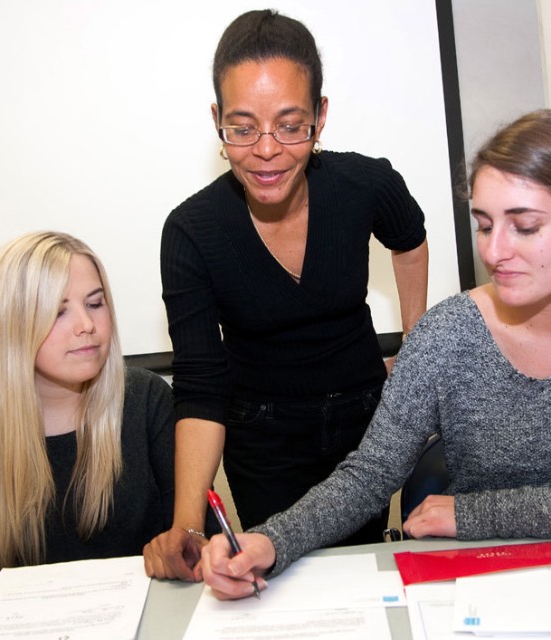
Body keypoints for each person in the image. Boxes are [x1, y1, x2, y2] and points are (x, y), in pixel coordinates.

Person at [199, 108, 551, 599]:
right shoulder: (446, 335)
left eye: (524, 226)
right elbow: (370, 477)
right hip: (487, 591)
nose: (494, 252)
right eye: (485, 226)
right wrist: (272, 541)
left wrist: (473, 513)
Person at [143, 9, 428, 580]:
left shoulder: (365, 184)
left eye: (290, 124)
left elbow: (410, 241)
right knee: (279, 582)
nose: (267, 150)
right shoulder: (191, 231)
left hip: (364, 424)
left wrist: (417, 348)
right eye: (243, 127)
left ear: (320, 118)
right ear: (217, 120)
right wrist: (187, 524)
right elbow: (200, 388)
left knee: (359, 576)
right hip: (262, 437)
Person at [0, 231, 175, 575]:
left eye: (95, 304)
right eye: (58, 311)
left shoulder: (146, 401)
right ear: (12, 324)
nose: (86, 325)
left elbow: (197, 539)